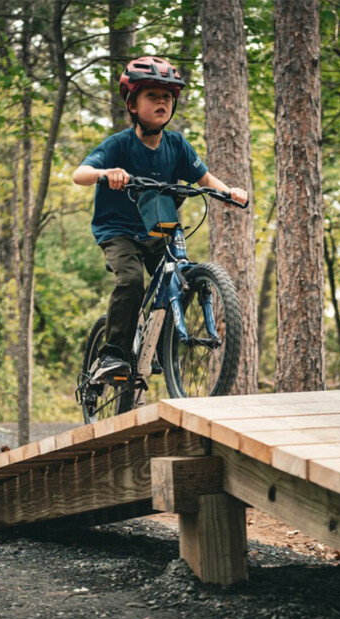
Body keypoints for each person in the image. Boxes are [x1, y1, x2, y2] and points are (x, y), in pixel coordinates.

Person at [72, 56, 248, 381]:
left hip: (159, 230)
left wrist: (230, 192)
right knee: (130, 281)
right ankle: (112, 354)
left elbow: (205, 179)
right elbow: (79, 174)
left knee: (179, 280)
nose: (162, 102)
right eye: (153, 96)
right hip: (118, 231)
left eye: (167, 97)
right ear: (133, 105)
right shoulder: (120, 145)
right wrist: (106, 173)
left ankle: (158, 349)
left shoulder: (176, 145)